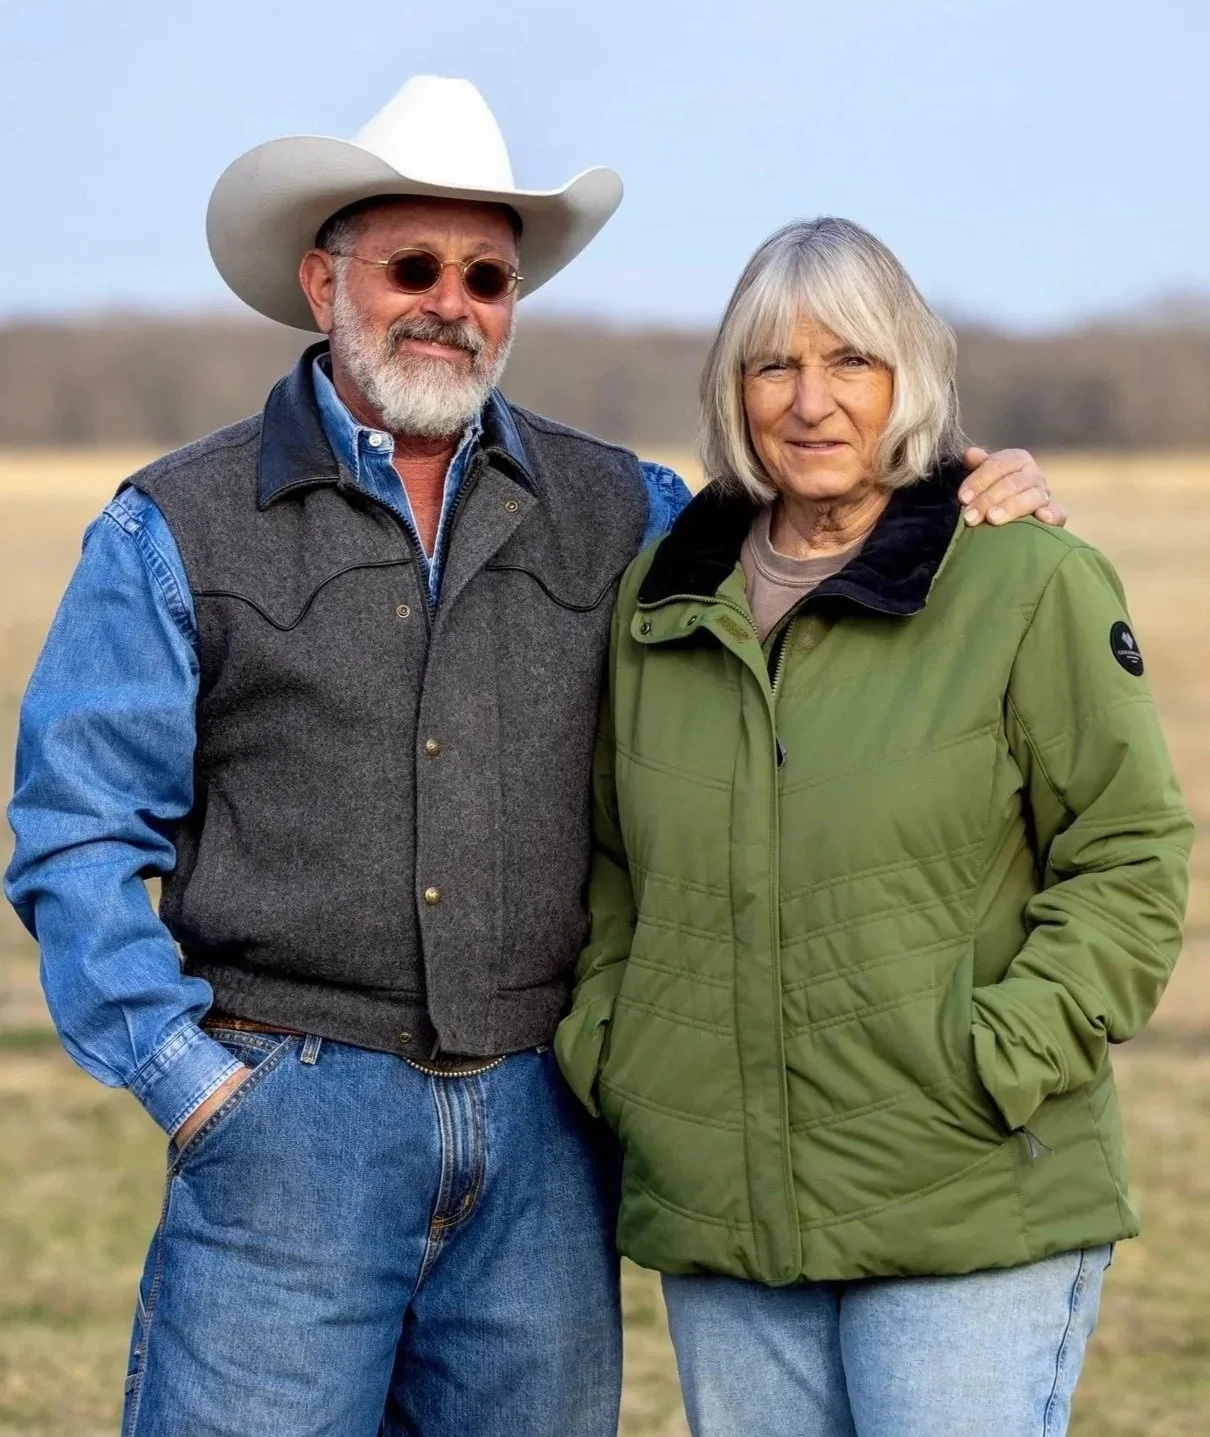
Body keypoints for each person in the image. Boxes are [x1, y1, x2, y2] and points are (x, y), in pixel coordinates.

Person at [5, 73, 1063, 1437]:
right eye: (414, 265)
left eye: (489, 275)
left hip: (544, 1142)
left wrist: (959, 496)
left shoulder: (627, 507)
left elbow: (818, 534)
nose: (452, 300)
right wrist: (195, 1089)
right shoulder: (176, 525)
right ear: (327, 279)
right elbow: (79, 832)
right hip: (288, 1124)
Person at [556, 216, 1192, 1437]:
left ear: (911, 378)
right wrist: (624, 1052)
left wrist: (994, 1057)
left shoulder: (1023, 580)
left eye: (850, 360)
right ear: (731, 391)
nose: (810, 402)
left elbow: (1127, 854)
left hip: (961, 1190)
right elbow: (611, 865)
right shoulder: (660, 601)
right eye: (772, 365)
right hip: (725, 1208)